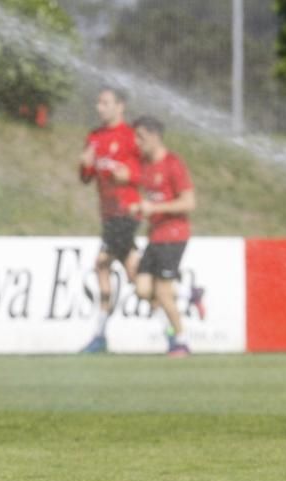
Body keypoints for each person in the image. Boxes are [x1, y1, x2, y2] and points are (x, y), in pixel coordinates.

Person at [78, 87, 143, 353]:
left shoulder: (130, 137)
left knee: (102, 264)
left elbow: (143, 174)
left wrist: (128, 175)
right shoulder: (94, 137)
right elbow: (86, 178)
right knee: (134, 276)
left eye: (105, 102)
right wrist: (84, 164)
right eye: (98, 102)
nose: (99, 107)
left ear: (120, 106)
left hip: (126, 212)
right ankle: (173, 329)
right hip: (108, 215)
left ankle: (100, 335)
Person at [131, 115, 202, 357]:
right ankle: (187, 294)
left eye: (140, 137)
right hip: (155, 236)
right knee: (142, 289)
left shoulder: (173, 164)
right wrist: (140, 208)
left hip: (174, 235)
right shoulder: (145, 164)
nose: (136, 142)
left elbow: (189, 202)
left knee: (162, 292)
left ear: (154, 136)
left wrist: (155, 209)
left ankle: (181, 341)